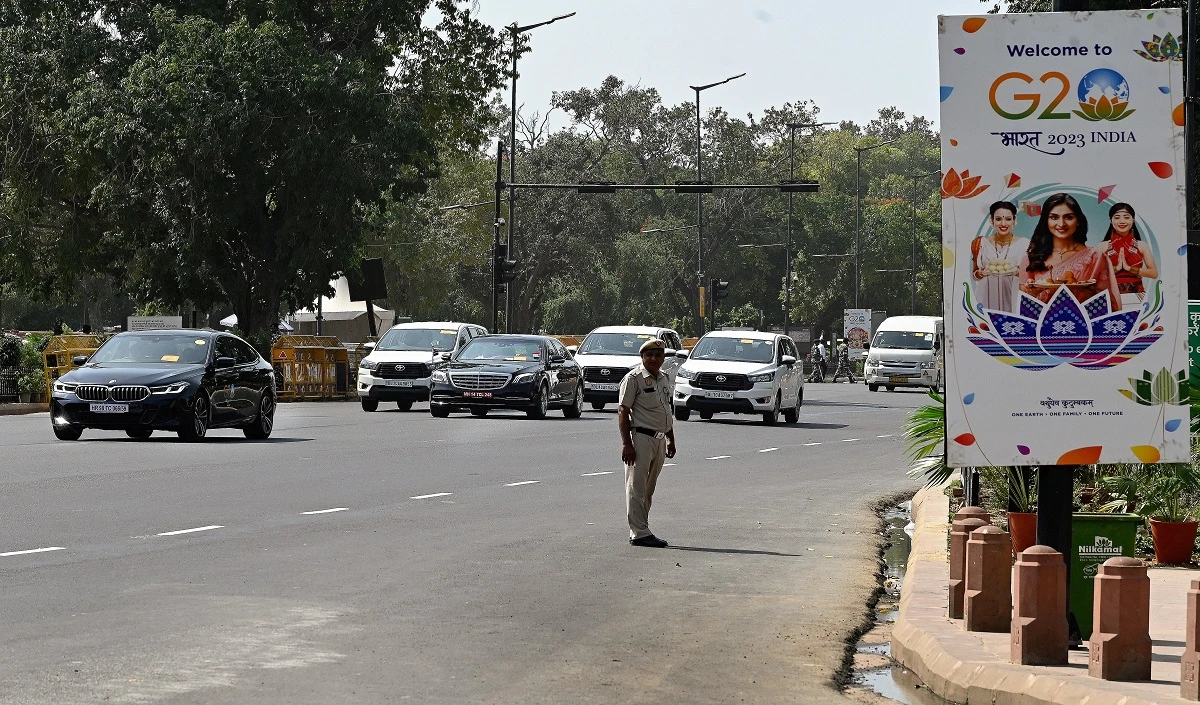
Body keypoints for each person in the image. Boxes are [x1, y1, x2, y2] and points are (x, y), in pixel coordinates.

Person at [617, 338, 677, 548]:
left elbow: (666, 410)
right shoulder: (633, 378)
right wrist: (627, 444)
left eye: (658, 355)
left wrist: (671, 439)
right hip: (640, 439)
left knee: (648, 489)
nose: (653, 358)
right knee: (636, 488)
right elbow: (623, 411)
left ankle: (643, 528)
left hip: (659, 440)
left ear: (663, 358)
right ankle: (639, 532)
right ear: (642, 357)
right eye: (649, 355)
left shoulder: (663, 378)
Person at [1018, 192, 1121, 311]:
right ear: (1046, 221)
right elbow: (1025, 308)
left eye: (1068, 217)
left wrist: (1090, 293)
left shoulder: (1095, 257)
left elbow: (1109, 306)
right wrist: (1032, 292)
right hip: (1044, 326)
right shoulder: (1030, 258)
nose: (1061, 224)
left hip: (1084, 325)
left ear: (1078, 220)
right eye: (1054, 217)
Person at [973, 201, 1028, 313]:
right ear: (992, 221)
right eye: (998, 219)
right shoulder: (981, 243)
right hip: (985, 301)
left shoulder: (1025, 244)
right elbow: (975, 275)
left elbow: (1031, 277)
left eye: (1008, 219)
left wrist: (1020, 272)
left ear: (1014, 220)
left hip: (1013, 300)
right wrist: (981, 273)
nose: (1003, 224)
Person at [1100, 202, 1158, 310]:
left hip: (1136, 296)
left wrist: (1129, 268)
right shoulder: (1102, 247)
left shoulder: (1142, 246)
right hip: (1110, 297)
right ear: (1110, 220)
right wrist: (1116, 269)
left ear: (1133, 220)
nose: (1122, 221)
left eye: (1126, 217)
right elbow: (1096, 275)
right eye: (1117, 217)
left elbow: (1154, 273)